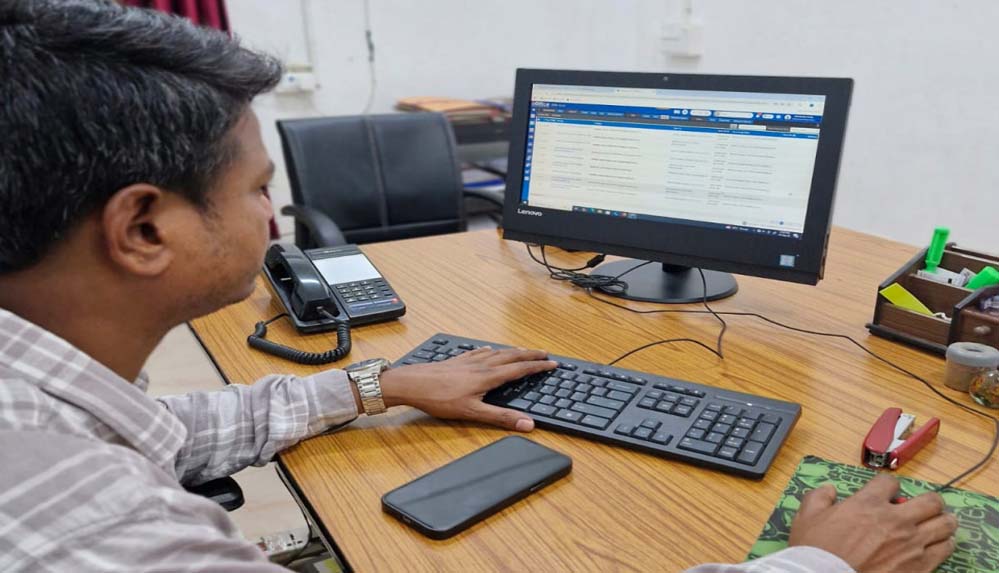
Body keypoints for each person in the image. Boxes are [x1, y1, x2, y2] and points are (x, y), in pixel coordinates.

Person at [0, 1, 957, 571]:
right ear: (143, 228)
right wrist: (818, 561)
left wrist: (377, 384)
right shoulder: (99, 528)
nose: (272, 216)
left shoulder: (41, 398)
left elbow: (172, 430)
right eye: (257, 189)